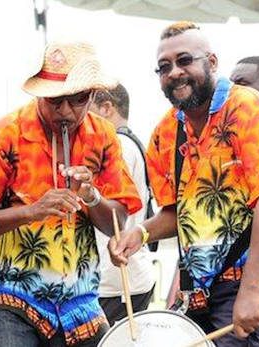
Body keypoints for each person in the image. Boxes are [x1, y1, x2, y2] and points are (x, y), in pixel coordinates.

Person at [110, 21, 259, 345]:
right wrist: (140, 233)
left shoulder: (248, 109)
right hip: (208, 290)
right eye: (164, 67)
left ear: (212, 62)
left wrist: (250, 291)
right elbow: (179, 214)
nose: (174, 72)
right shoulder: (165, 133)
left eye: (184, 60)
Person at [0, 40, 142, 347]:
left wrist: (91, 195)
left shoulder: (103, 136)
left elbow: (118, 219)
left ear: (93, 96)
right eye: (54, 101)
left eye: (77, 100)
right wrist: (32, 211)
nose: (65, 111)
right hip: (8, 295)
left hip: (79, 301)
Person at [89, 83, 155, 326]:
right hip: (127, 275)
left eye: (87, 107)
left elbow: (117, 214)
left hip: (116, 282)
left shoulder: (117, 145)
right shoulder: (132, 142)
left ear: (106, 108)